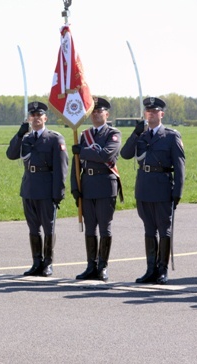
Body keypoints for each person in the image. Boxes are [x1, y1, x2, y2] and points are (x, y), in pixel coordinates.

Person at [120, 97, 185, 285]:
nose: (151, 114)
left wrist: (178, 191)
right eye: (148, 111)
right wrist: (135, 134)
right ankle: (151, 269)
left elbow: (180, 166)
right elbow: (125, 155)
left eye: (155, 111)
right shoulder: (141, 135)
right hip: (144, 188)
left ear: (161, 114)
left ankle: (162, 270)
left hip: (163, 187)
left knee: (164, 230)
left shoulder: (171, 136)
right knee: (149, 230)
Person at [6, 102, 68, 277]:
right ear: (28, 119)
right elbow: (11, 154)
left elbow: (61, 168)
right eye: (32, 116)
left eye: (39, 116)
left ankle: (48, 263)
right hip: (29, 188)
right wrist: (19, 135)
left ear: (45, 118)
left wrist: (59, 192)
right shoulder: (25, 138)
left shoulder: (55, 138)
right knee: (33, 228)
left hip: (47, 189)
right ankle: (36, 262)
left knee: (48, 228)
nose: (35, 119)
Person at [70, 97, 122, 282]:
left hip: (105, 184)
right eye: (93, 111)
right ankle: (91, 266)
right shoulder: (84, 135)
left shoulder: (113, 133)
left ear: (107, 114)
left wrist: (82, 151)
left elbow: (105, 154)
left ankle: (103, 266)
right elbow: (76, 165)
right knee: (90, 227)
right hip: (88, 184)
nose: (96, 114)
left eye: (99, 111)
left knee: (104, 227)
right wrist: (75, 187)